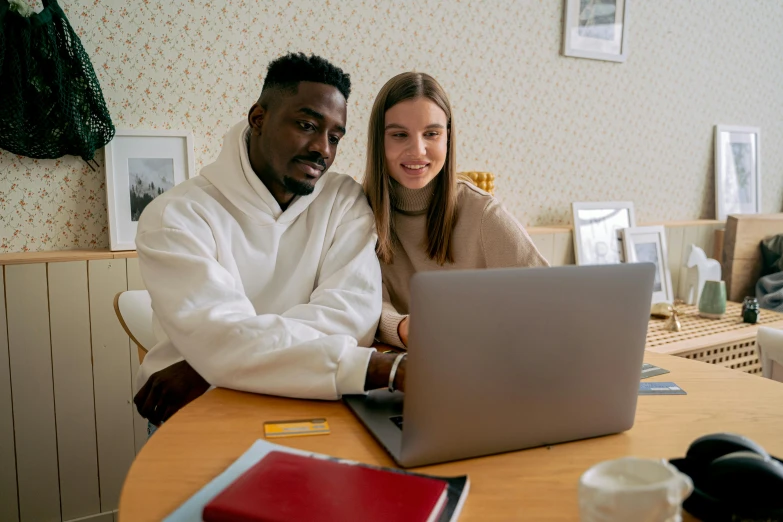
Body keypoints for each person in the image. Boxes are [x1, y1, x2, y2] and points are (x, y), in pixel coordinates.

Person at [133, 53, 407, 428]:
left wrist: (215, 364)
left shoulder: (343, 201)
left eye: (335, 136)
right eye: (307, 125)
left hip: (302, 404)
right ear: (258, 119)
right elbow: (220, 335)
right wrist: (223, 353)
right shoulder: (176, 215)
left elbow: (351, 320)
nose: (322, 149)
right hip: (203, 411)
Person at [363, 72, 549, 349]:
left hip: (484, 357)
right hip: (400, 364)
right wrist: (402, 327)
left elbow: (547, 295)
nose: (418, 150)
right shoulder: (358, 212)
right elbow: (366, 302)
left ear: (447, 138)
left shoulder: (483, 212)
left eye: (432, 134)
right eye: (399, 135)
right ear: (380, 140)